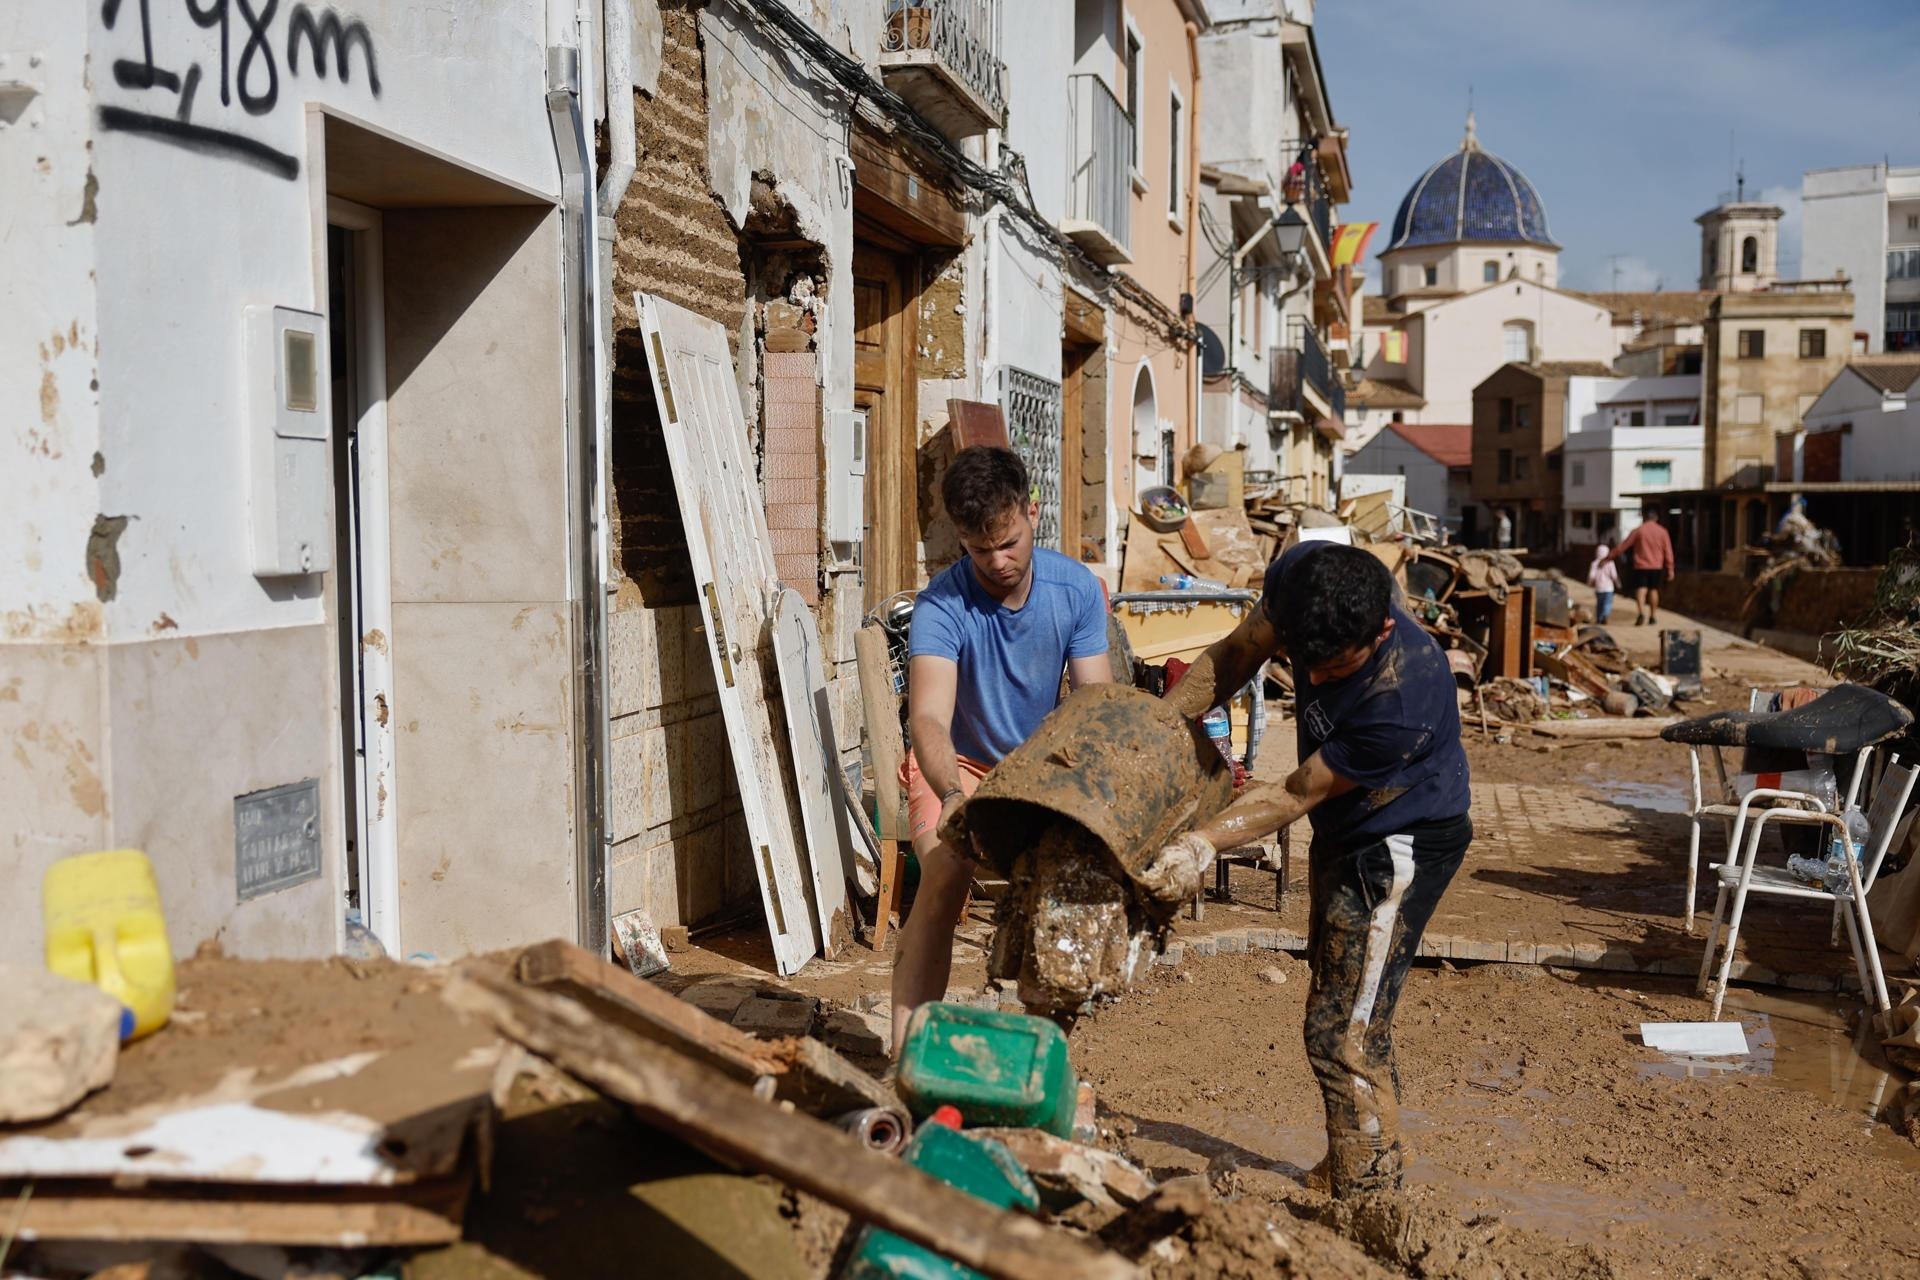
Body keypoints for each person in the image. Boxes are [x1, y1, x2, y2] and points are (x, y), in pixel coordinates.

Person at [1155, 542, 1471, 1198]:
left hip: (1399, 845)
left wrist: (1202, 844)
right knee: (1343, 1005)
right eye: (1307, 663)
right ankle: (1356, 1160)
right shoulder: (1304, 579)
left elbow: (1296, 791)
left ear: (1381, 628)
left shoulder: (1406, 693)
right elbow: (1237, 654)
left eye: (1335, 669)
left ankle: (1367, 1203)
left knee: (1344, 1030)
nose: (1318, 682)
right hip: (1346, 829)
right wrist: (1157, 733)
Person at [894, 446, 1112, 1049]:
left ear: (1032, 511)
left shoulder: (1077, 589)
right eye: (978, 548)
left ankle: (1041, 1055)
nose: (997, 561)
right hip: (957, 764)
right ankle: (907, 1053)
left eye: (1008, 542)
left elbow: (1097, 706)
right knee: (944, 870)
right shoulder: (942, 604)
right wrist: (953, 796)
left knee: (1066, 884)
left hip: (1041, 765)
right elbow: (930, 721)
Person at [1605, 505, 1676, 625]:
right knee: (1653, 590)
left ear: (1644, 517)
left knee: (1641, 590)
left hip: (1641, 566)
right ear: (1656, 518)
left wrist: (1609, 556)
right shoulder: (1663, 532)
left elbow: (1623, 546)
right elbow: (1668, 551)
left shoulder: (1639, 531)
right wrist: (1670, 569)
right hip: (1656, 566)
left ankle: (1641, 613)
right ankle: (1653, 616)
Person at [1588, 536, 1620, 624]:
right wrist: (1618, 583)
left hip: (1598, 588)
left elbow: (1591, 576)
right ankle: (1605, 615)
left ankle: (1599, 618)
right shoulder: (1610, 563)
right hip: (1608, 588)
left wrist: (1589, 583)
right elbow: (1614, 575)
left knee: (1599, 604)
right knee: (1607, 603)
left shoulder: (1594, 563)